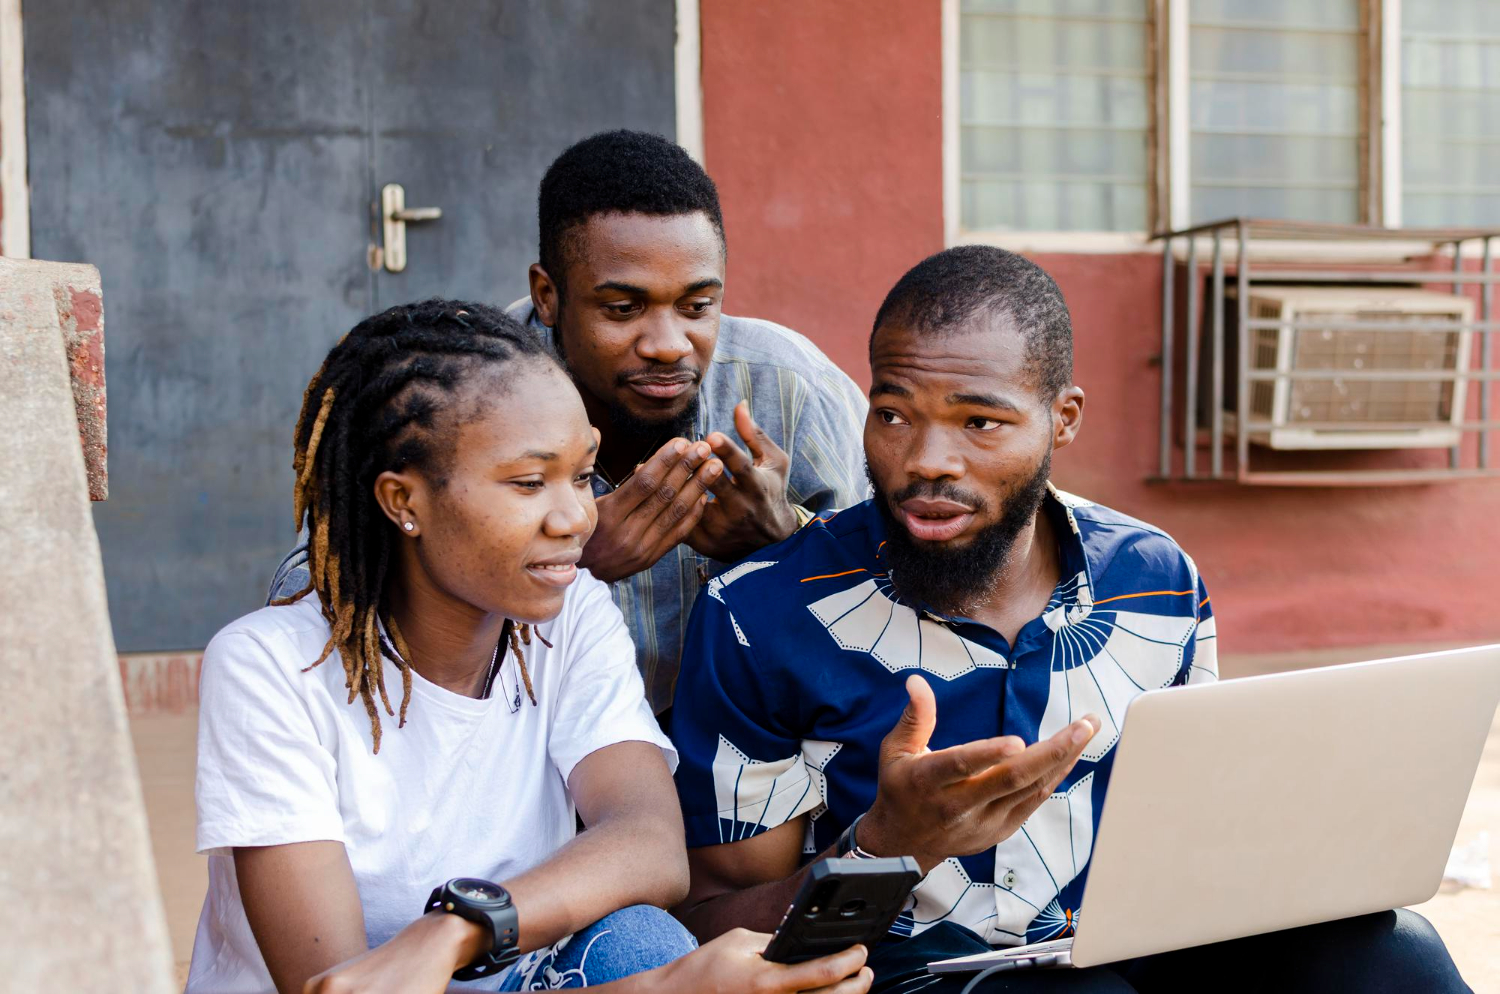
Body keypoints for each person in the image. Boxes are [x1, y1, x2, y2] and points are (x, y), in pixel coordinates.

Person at [666, 248, 1472, 992]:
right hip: (923, 974)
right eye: (894, 413)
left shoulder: (1154, 578)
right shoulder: (760, 612)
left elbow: (1201, 824)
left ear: (1064, 418)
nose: (925, 460)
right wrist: (885, 845)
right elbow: (709, 922)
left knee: (1399, 957)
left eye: (980, 422)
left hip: (1142, 944)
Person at [188, 301, 873, 994]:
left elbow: (650, 842)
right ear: (404, 500)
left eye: (581, 475)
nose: (577, 516)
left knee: (640, 940)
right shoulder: (269, 667)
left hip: (512, 976)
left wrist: (460, 927)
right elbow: (345, 987)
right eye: (527, 482)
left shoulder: (567, 612)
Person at [274, 131, 868, 713]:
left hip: (750, 756)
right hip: (521, 754)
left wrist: (787, 538)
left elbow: (905, 587)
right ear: (547, 295)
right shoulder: (458, 394)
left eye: (696, 306)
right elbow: (306, 598)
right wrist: (564, 557)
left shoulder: (789, 386)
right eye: (622, 308)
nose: (668, 344)